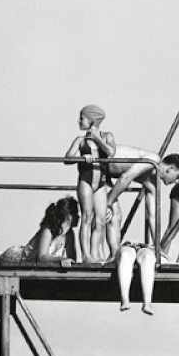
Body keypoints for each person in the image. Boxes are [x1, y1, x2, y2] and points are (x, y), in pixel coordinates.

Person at [103, 147, 179, 257]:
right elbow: (126, 177)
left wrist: (158, 248)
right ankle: (105, 254)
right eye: (178, 177)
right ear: (170, 168)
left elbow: (153, 216)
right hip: (101, 160)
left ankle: (114, 256)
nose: (176, 181)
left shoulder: (152, 182)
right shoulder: (153, 160)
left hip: (107, 173)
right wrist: (108, 203)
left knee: (116, 216)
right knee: (107, 213)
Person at [64, 105, 116, 263]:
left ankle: (95, 254)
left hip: (100, 182)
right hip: (86, 180)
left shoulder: (107, 136)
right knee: (87, 216)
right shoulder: (80, 140)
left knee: (100, 220)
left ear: (92, 120)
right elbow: (67, 158)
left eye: (82, 118)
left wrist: (97, 139)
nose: (79, 121)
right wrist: (81, 159)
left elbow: (110, 152)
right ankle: (86, 255)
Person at [0, 197, 80, 266]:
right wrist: (62, 259)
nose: (79, 217)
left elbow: (71, 259)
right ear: (69, 216)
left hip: (29, 265)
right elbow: (42, 256)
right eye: (77, 214)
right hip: (15, 259)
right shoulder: (49, 229)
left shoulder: (69, 234)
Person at [115, 242, 156, 315]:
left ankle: (147, 303)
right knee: (125, 256)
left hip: (145, 247)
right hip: (127, 245)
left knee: (147, 258)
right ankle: (125, 299)